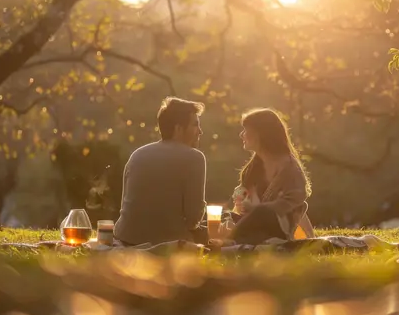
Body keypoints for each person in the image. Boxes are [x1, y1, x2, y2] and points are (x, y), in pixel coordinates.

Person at [113, 97, 208, 246]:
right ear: (178, 128)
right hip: (168, 242)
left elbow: (127, 207)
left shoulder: (138, 154)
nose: (200, 131)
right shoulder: (194, 157)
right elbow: (193, 219)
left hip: (126, 238)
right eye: (195, 125)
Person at [227, 108, 315, 245]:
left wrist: (255, 209)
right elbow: (241, 197)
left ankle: (227, 241)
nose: (241, 135)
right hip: (249, 225)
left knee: (262, 212)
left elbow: (295, 202)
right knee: (222, 216)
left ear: (261, 134)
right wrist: (239, 197)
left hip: (275, 229)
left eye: (246, 130)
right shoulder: (253, 167)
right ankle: (229, 240)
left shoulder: (290, 169)